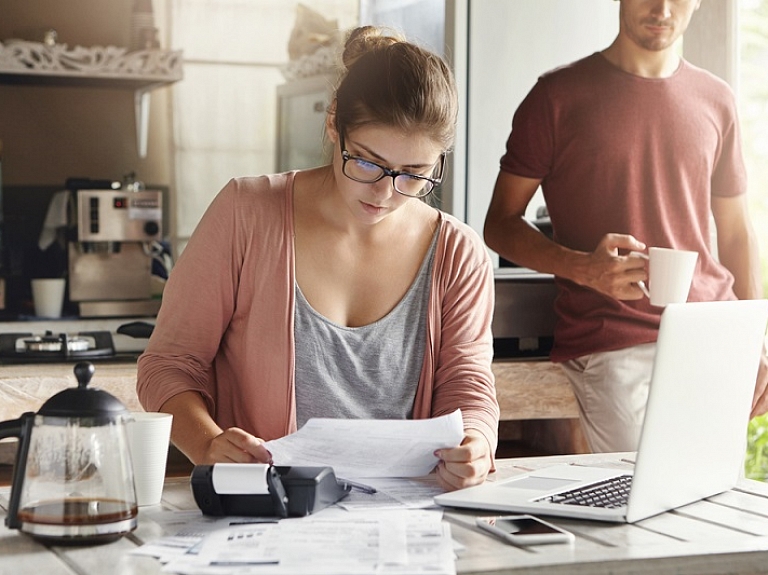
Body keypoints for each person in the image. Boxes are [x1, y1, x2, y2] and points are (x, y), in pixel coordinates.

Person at [137, 26, 499, 491]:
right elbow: (168, 365)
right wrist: (208, 445)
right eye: (367, 162)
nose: (385, 193)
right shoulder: (246, 213)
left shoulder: (457, 253)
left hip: (406, 519)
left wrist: (476, 441)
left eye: (414, 174)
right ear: (334, 124)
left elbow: (468, 382)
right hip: (267, 513)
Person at [484, 0, 767, 453]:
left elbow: (735, 232)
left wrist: (755, 339)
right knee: (641, 506)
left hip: (713, 334)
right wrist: (582, 268)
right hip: (615, 342)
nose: (661, 8)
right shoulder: (556, 97)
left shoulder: (718, 99)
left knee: (710, 505)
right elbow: (499, 224)